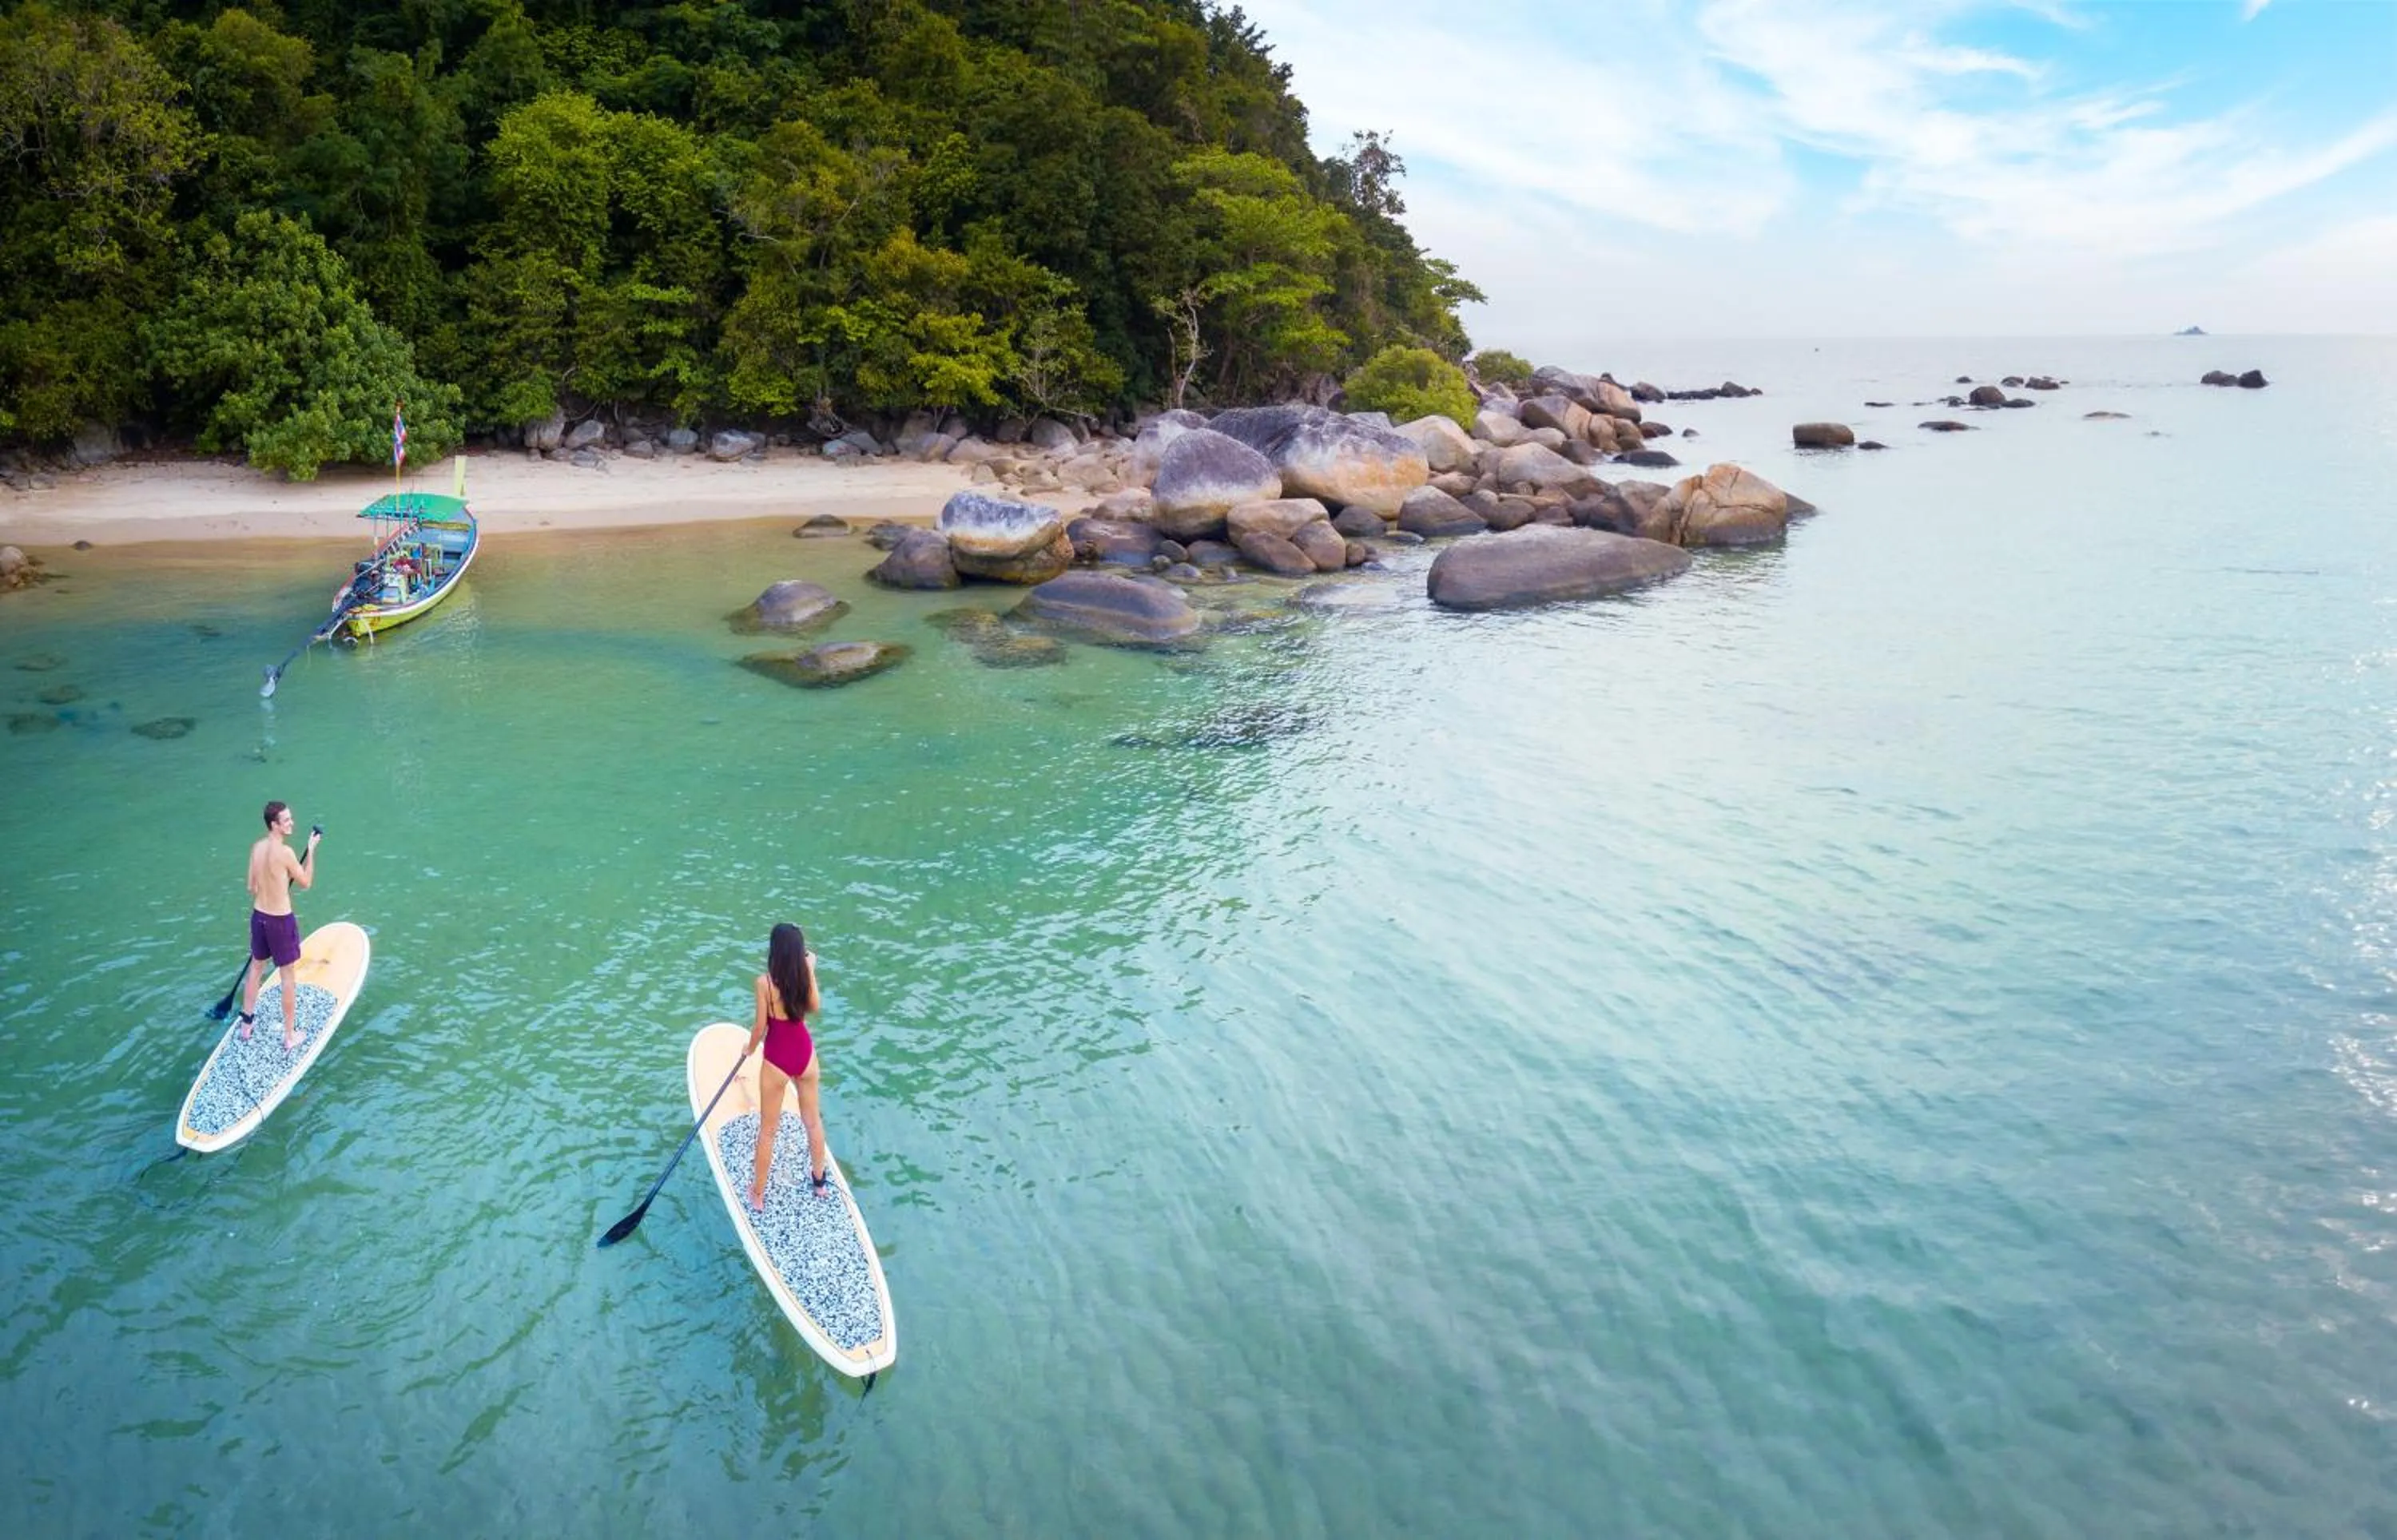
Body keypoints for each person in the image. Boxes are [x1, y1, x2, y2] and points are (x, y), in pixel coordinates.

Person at [742, 922, 829, 1211]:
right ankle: (819, 1183)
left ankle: (757, 1195)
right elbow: (814, 1007)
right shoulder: (804, 976)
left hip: (777, 1058)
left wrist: (749, 1049)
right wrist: (811, 970)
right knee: (813, 1122)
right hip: (805, 1055)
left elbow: (760, 1027)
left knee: (768, 1131)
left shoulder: (764, 983)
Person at [240, 801, 320, 1050]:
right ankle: (289, 1037)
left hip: (259, 917)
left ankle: (246, 1027)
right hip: (280, 921)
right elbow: (305, 882)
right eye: (286, 821)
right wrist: (311, 851)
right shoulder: (285, 853)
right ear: (274, 825)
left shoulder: (257, 848)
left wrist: (272, 884)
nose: (291, 823)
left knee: (256, 968)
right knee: (287, 977)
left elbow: (251, 887)